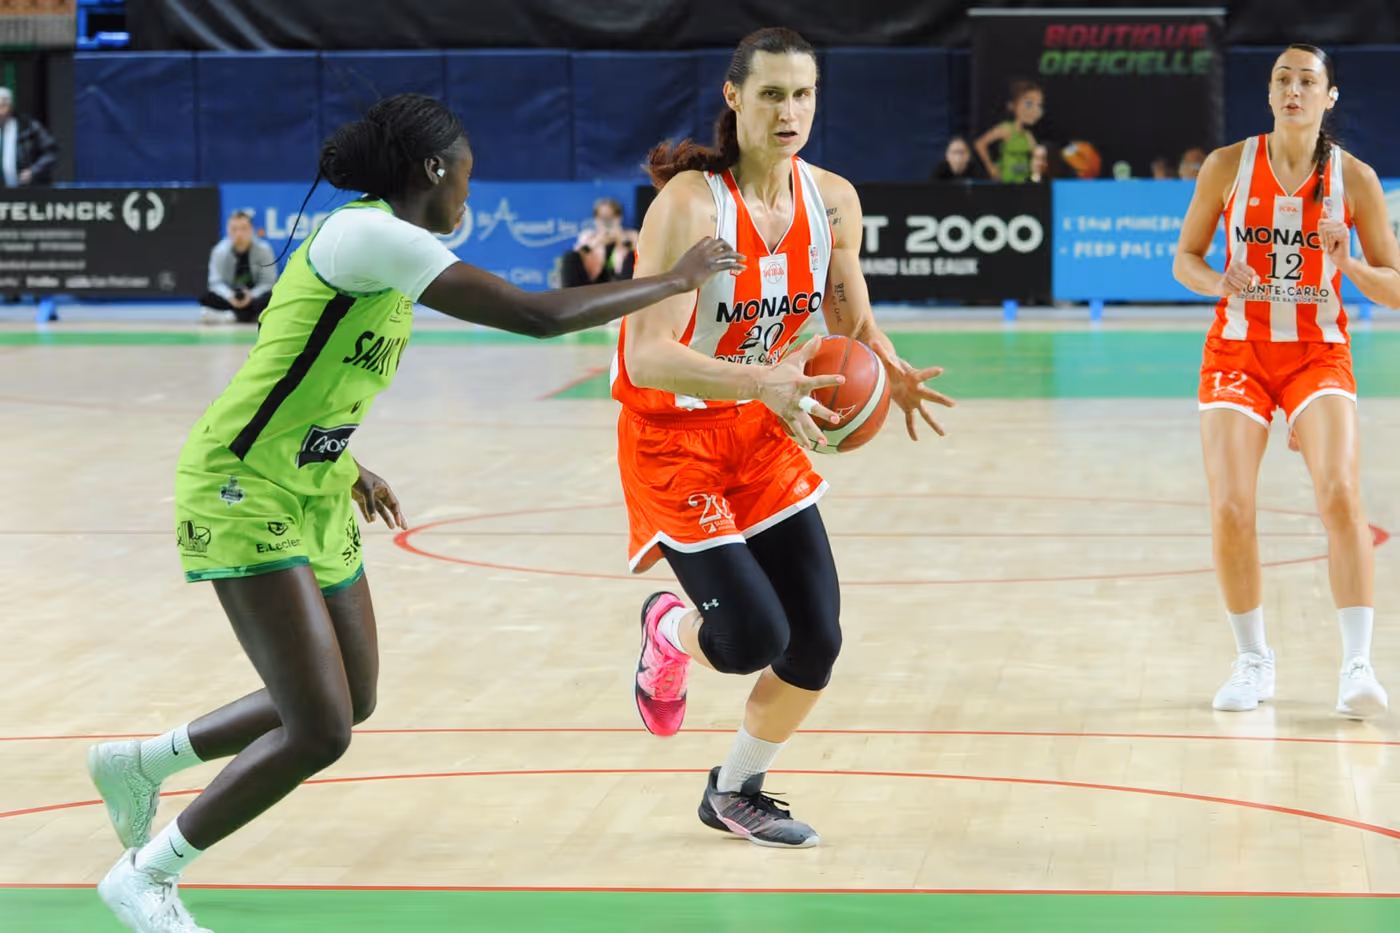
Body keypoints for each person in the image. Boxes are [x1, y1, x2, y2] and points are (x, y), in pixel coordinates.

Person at [84, 93, 741, 933]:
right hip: (241, 486)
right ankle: (146, 876)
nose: (473, 185)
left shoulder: (388, 246)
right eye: (468, 169)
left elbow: (299, 367)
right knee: (321, 728)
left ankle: (142, 766)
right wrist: (676, 279)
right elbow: (537, 316)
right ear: (434, 169)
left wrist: (347, 460)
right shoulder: (371, 234)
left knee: (349, 696)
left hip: (313, 484)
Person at [614, 27, 954, 848]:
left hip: (761, 431)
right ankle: (667, 627)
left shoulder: (832, 199)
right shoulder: (690, 205)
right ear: (734, 99)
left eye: (802, 94)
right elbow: (646, 353)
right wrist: (763, 379)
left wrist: (888, 364)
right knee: (748, 640)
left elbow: (850, 315)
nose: (790, 110)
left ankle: (735, 788)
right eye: (771, 94)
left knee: (818, 639)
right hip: (674, 438)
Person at [1173, 45, 1400, 718]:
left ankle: (1357, 664)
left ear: (1329, 97)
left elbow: (1394, 288)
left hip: (1316, 352)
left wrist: (1349, 263)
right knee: (1231, 507)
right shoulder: (1226, 165)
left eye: (1308, 81)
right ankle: (1253, 660)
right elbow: (1184, 259)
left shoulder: (1354, 180)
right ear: (1270, 93)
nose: (1293, 89)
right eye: (1283, 79)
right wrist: (1219, 280)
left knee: (1339, 492)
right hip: (1238, 349)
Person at [200, 211, 278, 325]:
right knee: (205, 296)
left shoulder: (264, 250)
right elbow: (215, 282)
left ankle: (231, 316)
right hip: (230, 297)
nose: (239, 233)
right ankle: (244, 316)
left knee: (272, 296)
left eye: (244, 228)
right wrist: (230, 296)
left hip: (254, 297)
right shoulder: (219, 251)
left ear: (252, 230)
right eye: (234, 229)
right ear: (228, 230)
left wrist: (250, 295)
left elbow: (268, 283)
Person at [974, 80, 1042, 183]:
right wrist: (991, 168)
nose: (1034, 110)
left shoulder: (1027, 135)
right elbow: (979, 144)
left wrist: (1036, 171)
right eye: (1028, 103)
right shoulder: (1006, 129)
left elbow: (1038, 156)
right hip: (1007, 183)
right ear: (1012, 105)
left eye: (1039, 105)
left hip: (1024, 182)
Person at [561, 197, 637, 287]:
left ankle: (629, 295)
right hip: (592, 285)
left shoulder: (631, 235)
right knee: (570, 256)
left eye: (610, 216)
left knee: (632, 255)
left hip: (621, 283)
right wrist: (596, 241)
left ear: (619, 217)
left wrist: (621, 237)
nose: (606, 221)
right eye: (601, 217)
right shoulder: (588, 236)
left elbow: (638, 256)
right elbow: (578, 257)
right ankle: (571, 297)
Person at [0, 86, 58, 187]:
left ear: (10, 106)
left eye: (2, 106)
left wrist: (33, 171)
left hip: (28, 191)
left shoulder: (28, 126)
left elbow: (51, 152)